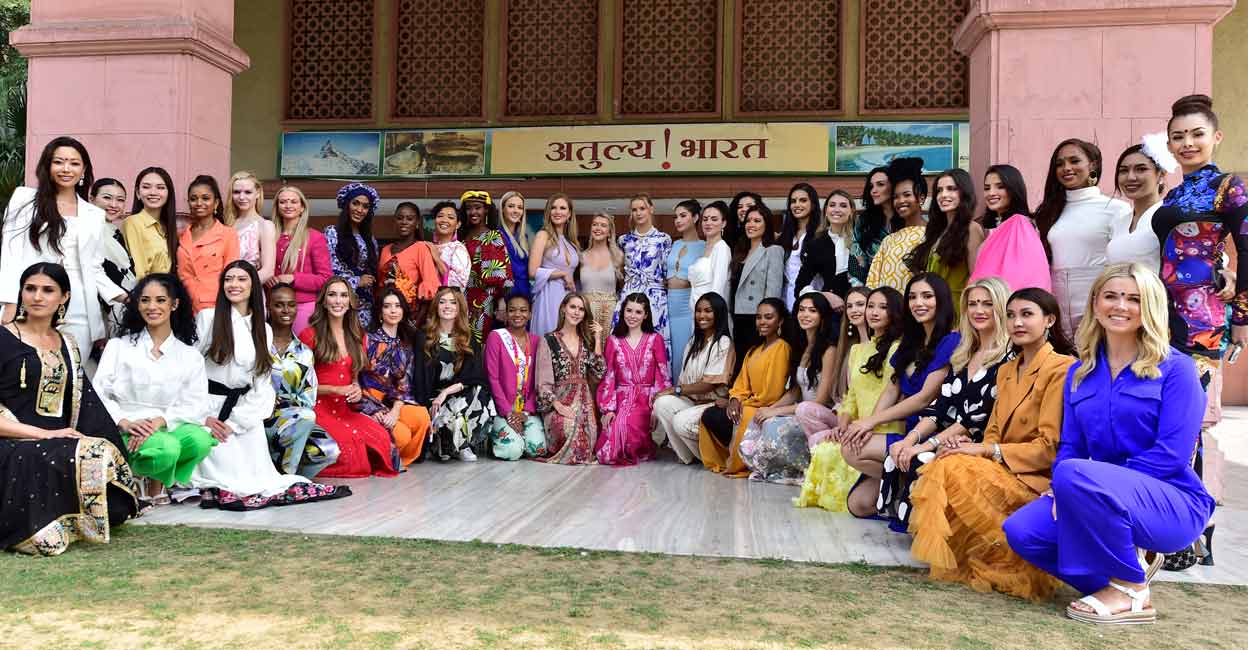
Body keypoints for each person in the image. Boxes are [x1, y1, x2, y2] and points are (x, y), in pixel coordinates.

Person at [1005, 264, 1215, 623]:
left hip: (1171, 501)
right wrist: (1063, 489)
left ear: (1149, 306)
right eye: (1112, 296)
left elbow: (1172, 454)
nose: (1121, 306)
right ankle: (1121, 581)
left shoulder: (1177, 369)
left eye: (1134, 299)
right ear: (1096, 303)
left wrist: (1085, 483)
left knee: (1074, 474)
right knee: (1023, 531)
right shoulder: (1079, 372)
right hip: (1092, 489)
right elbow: (1070, 445)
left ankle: (1128, 588)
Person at [908, 287, 1075, 600]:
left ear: (1050, 320)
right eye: (1011, 315)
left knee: (953, 465)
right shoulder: (1008, 369)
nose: (1017, 322)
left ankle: (1013, 552)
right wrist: (970, 447)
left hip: (1034, 477)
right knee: (947, 460)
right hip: (1003, 468)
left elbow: (1049, 446)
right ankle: (980, 551)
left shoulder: (1061, 367)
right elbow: (994, 431)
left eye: (1027, 315)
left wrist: (985, 450)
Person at [0, 262, 138, 555]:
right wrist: (42, 434)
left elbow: (87, 405)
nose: (37, 297)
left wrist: (111, 433)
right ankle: (38, 530)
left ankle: (71, 522)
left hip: (57, 439)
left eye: (48, 290)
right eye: (30, 289)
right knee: (71, 453)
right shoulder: (3, 338)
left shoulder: (68, 344)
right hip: (10, 442)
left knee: (98, 453)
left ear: (63, 297)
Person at [192, 261, 348, 510]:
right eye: (229, 279)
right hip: (211, 409)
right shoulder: (207, 319)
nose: (234, 285)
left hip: (244, 412)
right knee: (224, 476)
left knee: (260, 480)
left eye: (241, 279)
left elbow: (262, 384)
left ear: (253, 285)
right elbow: (190, 372)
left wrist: (237, 422)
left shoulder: (261, 328)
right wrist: (204, 416)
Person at [885, 277, 1012, 543]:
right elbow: (938, 408)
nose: (978, 310)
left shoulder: (1008, 358)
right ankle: (914, 525)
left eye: (987, 304)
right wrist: (910, 440)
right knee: (897, 450)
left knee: (921, 458)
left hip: (980, 441)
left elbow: (973, 419)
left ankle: (938, 534)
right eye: (973, 304)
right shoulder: (964, 353)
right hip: (949, 433)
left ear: (1000, 308)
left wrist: (926, 445)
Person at [842, 274, 959, 527]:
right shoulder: (910, 342)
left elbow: (923, 398)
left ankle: (908, 485)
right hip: (907, 431)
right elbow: (892, 391)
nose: (919, 303)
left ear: (942, 301)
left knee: (851, 448)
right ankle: (903, 485)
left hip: (931, 431)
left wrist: (870, 422)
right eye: (913, 297)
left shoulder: (951, 341)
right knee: (859, 505)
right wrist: (866, 425)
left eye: (927, 296)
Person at [1155, 94, 1248, 408]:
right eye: (1178, 137)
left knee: (1185, 410)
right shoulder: (1174, 194)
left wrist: (1241, 320)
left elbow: (1247, 250)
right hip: (1159, 312)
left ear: (1216, 137)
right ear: (1169, 144)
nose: (1187, 143)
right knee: (1160, 407)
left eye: (1197, 134)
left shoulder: (1228, 186)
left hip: (1202, 315)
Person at [0, 137, 128, 363]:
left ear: (83, 169)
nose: (66, 168)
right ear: (48, 166)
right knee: (23, 374)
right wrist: (10, 302)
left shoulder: (94, 214)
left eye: (74, 163)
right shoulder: (24, 199)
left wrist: (124, 297)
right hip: (32, 300)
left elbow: (94, 268)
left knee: (71, 376)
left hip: (79, 306)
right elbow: (10, 255)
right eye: (59, 162)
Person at [94, 272, 216, 499]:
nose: (152, 306)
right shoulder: (117, 346)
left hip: (165, 426)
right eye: (144, 300)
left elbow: (197, 404)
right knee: (167, 449)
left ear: (174, 304)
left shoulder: (189, 356)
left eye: (160, 300)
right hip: (127, 427)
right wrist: (125, 422)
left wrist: (159, 422)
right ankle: (137, 474)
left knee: (200, 441)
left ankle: (157, 478)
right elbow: (99, 393)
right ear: (137, 304)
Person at [795, 287, 904, 513]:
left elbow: (891, 394)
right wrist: (843, 424)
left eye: (882, 307)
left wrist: (867, 426)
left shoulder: (898, 348)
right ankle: (896, 483)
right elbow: (851, 397)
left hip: (886, 428)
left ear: (894, 312)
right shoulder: (858, 350)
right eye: (871, 306)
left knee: (849, 450)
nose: (874, 312)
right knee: (858, 507)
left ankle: (904, 481)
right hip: (860, 428)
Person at [299, 277, 399, 478]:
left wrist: (354, 387)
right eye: (332, 295)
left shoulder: (356, 334)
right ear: (324, 301)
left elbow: (354, 377)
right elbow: (300, 388)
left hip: (345, 408)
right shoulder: (309, 335)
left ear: (350, 302)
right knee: (351, 450)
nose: (338, 301)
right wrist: (335, 389)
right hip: (318, 407)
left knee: (381, 438)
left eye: (343, 295)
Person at [1034, 138, 1132, 336]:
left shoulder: (1116, 208)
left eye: (1074, 161)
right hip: (1057, 304)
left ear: (1093, 165)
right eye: (1060, 164)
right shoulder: (1049, 212)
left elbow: (1123, 264)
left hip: (1098, 302)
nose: (1066, 168)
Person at [740, 292, 837, 484]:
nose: (805, 315)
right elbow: (795, 391)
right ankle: (777, 469)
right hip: (800, 409)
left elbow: (820, 400)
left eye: (812, 310)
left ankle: (803, 469)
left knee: (774, 425)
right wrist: (771, 409)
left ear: (822, 316)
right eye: (801, 310)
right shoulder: (802, 347)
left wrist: (779, 411)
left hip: (818, 415)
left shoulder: (829, 350)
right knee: (762, 419)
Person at [699, 298, 792, 478]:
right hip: (748, 401)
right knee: (709, 415)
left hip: (765, 405)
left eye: (768, 317)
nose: (762, 322)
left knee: (743, 414)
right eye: (758, 317)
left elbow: (772, 393)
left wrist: (741, 403)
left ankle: (738, 463)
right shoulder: (754, 350)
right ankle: (723, 459)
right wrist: (734, 399)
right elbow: (741, 384)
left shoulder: (782, 348)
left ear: (780, 321)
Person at [265, 283, 339, 479]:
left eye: (291, 305)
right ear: (268, 307)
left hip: (292, 417)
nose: (286, 310)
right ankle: (285, 479)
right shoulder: (257, 343)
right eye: (279, 305)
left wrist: (289, 409)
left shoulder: (304, 352)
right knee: (305, 418)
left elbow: (308, 396)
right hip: (258, 417)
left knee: (328, 450)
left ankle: (284, 474)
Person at [412, 287, 495, 462]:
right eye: (442, 302)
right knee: (444, 451)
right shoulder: (424, 337)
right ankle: (442, 442)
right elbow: (420, 377)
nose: (447, 306)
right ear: (435, 307)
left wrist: (446, 392)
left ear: (459, 308)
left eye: (452, 302)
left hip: (457, 395)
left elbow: (473, 376)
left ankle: (463, 445)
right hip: (432, 400)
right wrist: (427, 404)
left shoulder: (468, 337)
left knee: (479, 392)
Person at [652, 292, 734, 464]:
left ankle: (707, 457)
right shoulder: (692, 343)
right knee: (661, 403)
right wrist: (669, 395)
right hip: (691, 402)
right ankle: (687, 456)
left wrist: (675, 389)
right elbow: (683, 381)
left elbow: (708, 385)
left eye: (708, 311)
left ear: (718, 313)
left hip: (712, 405)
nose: (702, 315)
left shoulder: (723, 342)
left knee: (680, 421)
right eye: (698, 311)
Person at [596, 292, 670, 465]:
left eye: (638, 312)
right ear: (622, 312)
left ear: (645, 315)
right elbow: (609, 376)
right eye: (629, 310)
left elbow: (662, 375)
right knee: (609, 442)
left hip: (646, 400)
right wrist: (609, 409)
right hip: (621, 398)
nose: (632, 316)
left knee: (629, 429)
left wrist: (656, 407)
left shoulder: (655, 339)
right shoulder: (613, 340)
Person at [360, 288, 430, 468]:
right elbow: (357, 379)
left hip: (393, 403)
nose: (393, 310)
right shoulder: (368, 340)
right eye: (387, 306)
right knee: (402, 435)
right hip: (368, 402)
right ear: (380, 312)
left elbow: (404, 384)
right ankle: (386, 459)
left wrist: (396, 410)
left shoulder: (405, 343)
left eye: (397, 306)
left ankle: (401, 459)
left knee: (422, 416)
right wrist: (372, 410)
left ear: (403, 311)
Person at [535, 292, 606, 465]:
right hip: (558, 404)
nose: (576, 312)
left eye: (581, 309)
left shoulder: (586, 341)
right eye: (573, 307)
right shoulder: (549, 340)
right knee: (569, 428)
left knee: (587, 440)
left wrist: (597, 339)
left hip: (584, 405)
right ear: (563, 309)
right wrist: (558, 406)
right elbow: (542, 383)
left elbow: (599, 372)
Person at [484, 293, 547, 460]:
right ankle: (500, 438)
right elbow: (493, 378)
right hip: (503, 408)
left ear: (530, 314)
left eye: (523, 310)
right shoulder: (496, 337)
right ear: (505, 314)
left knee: (538, 449)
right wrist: (508, 413)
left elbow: (539, 381)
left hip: (526, 409)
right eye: (512, 310)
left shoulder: (537, 341)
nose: (517, 314)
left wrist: (526, 412)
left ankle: (518, 437)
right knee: (512, 451)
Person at [969, 164, 1050, 293]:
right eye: (987, 188)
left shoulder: (1020, 224)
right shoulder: (997, 228)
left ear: (1013, 189)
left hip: (1007, 304)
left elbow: (1021, 276)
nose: (991, 193)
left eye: (1000, 187)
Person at [914, 169, 986, 310]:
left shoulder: (972, 228)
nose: (943, 195)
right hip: (933, 309)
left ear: (964, 193)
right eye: (939, 190)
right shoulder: (936, 231)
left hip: (957, 309)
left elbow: (976, 279)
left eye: (951, 189)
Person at [269, 186, 332, 334]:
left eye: (293, 201)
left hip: (302, 305)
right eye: (283, 202)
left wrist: (293, 278)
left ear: (302, 207)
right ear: (277, 207)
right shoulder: (269, 235)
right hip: (272, 303)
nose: (288, 205)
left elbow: (325, 278)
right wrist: (267, 278)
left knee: (300, 350)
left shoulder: (315, 237)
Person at [730, 203, 784, 375]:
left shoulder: (773, 250)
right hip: (738, 316)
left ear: (766, 224)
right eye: (748, 220)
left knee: (756, 363)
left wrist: (767, 319)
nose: (751, 224)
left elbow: (773, 291)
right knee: (740, 363)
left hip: (757, 317)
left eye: (757, 221)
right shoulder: (740, 251)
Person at [1107, 137, 1174, 273]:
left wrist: (1225, 273)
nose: (1130, 177)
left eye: (1141, 169)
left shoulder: (1170, 217)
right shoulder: (1118, 223)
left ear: (1161, 175)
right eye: (1124, 170)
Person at [616, 194, 672, 355]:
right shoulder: (623, 240)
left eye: (642, 208)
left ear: (651, 210)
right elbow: (619, 271)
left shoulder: (663, 239)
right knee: (625, 341)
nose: (638, 213)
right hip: (629, 293)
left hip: (655, 297)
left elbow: (666, 272)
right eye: (634, 210)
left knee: (654, 344)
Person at [177, 175, 240, 312]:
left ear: (216, 203)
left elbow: (232, 276)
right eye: (193, 199)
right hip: (185, 307)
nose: (199, 203)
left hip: (215, 307)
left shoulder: (228, 235)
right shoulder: (182, 235)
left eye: (205, 198)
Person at [867, 157, 929, 292]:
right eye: (895, 197)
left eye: (907, 195)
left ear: (921, 198)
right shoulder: (888, 240)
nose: (900, 201)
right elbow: (873, 284)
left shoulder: (934, 234)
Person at [325, 182, 382, 328]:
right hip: (341, 306)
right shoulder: (332, 233)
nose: (360, 209)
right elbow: (328, 272)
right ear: (346, 205)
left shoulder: (371, 240)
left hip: (366, 309)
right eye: (355, 203)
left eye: (365, 206)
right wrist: (357, 281)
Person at [460, 190, 514, 342]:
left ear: (486, 210)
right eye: (469, 208)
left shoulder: (492, 236)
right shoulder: (462, 236)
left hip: (483, 300)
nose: (473, 212)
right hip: (461, 298)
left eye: (477, 207)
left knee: (477, 344)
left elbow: (498, 276)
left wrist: (499, 301)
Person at [378, 201, 441, 326]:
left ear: (417, 223)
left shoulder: (421, 248)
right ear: (395, 221)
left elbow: (430, 286)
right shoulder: (385, 250)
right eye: (400, 218)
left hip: (410, 316)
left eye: (410, 218)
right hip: (385, 315)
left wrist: (415, 323)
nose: (404, 222)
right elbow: (380, 285)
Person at [529, 194, 579, 336]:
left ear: (569, 214)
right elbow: (532, 271)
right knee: (550, 339)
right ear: (548, 212)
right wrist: (563, 273)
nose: (557, 212)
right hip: (548, 295)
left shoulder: (571, 242)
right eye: (553, 208)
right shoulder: (543, 235)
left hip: (568, 298)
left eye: (562, 208)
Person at [89, 177, 134, 336]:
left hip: (122, 304)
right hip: (97, 306)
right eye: (107, 198)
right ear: (92, 199)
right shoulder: (87, 230)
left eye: (120, 200)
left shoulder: (115, 232)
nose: (114, 205)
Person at [666, 199, 706, 379]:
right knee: (668, 352)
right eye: (676, 217)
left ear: (696, 217)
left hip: (686, 306)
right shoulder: (673, 244)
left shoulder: (705, 247)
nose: (678, 220)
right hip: (667, 305)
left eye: (683, 216)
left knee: (683, 353)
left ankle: (682, 392)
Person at [795, 190, 854, 311]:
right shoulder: (815, 244)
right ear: (826, 211)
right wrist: (825, 296)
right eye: (832, 205)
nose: (837, 209)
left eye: (843, 206)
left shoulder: (862, 240)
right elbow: (800, 286)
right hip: (831, 311)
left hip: (860, 309)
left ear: (851, 211)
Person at [122, 166, 180, 280]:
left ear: (169, 193)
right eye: (146, 187)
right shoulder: (133, 223)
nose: (153, 192)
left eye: (160, 187)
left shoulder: (167, 227)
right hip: (147, 293)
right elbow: (139, 272)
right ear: (138, 193)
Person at [223, 171, 277, 287]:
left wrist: (241, 287)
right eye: (237, 192)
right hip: (224, 291)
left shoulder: (265, 225)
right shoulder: (226, 225)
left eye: (248, 192)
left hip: (250, 293)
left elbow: (267, 271)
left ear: (257, 193)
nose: (242, 197)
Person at [850, 167, 898, 286]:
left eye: (880, 185)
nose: (873, 191)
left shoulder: (907, 218)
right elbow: (856, 257)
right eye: (871, 186)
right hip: (871, 285)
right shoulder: (863, 222)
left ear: (894, 187)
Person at [826, 286, 872, 402]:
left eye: (860, 304)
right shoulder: (849, 347)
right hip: (845, 410)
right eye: (849, 306)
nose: (854, 310)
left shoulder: (882, 345)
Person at [579, 212, 622, 338]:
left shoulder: (618, 256)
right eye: (595, 224)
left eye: (603, 225)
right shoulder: (581, 257)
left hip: (610, 315)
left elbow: (623, 287)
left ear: (609, 232)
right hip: (585, 315)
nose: (598, 228)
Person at [687, 200, 732, 315]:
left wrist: (709, 312)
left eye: (714, 219)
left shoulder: (721, 248)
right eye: (705, 219)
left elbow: (719, 287)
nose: (708, 223)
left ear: (724, 223)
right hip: (695, 311)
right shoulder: (703, 248)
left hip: (709, 314)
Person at [780, 183, 820, 309]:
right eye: (793, 201)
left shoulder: (820, 235)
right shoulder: (785, 236)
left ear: (813, 204)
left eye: (803, 200)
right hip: (786, 304)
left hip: (812, 304)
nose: (797, 205)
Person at [498, 191, 532, 299]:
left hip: (525, 295)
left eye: (520, 207)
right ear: (503, 209)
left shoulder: (523, 238)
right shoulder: (496, 236)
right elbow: (497, 274)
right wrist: (501, 299)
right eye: (511, 206)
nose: (516, 211)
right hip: (506, 297)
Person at [430, 200, 470, 289]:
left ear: (458, 225)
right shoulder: (428, 247)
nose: (444, 220)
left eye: (450, 217)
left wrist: (437, 259)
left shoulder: (458, 248)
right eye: (440, 216)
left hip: (448, 301)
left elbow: (459, 284)